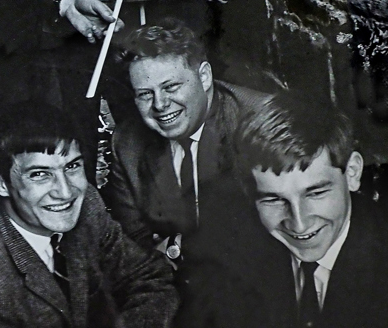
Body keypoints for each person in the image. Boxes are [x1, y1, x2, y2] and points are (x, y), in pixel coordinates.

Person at [178, 91, 388, 328]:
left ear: (352, 172)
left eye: (315, 192)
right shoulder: (226, 246)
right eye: (274, 199)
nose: (299, 223)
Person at [0, 102, 178, 327]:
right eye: (40, 174)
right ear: (0, 183)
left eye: (72, 166)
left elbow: (148, 276)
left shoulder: (84, 203)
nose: (65, 192)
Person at [103, 20, 269, 261]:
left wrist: (183, 248)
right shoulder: (127, 143)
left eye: (170, 87)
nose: (159, 105)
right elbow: (133, 241)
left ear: (204, 77)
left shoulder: (261, 123)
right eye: (145, 94)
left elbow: (279, 228)